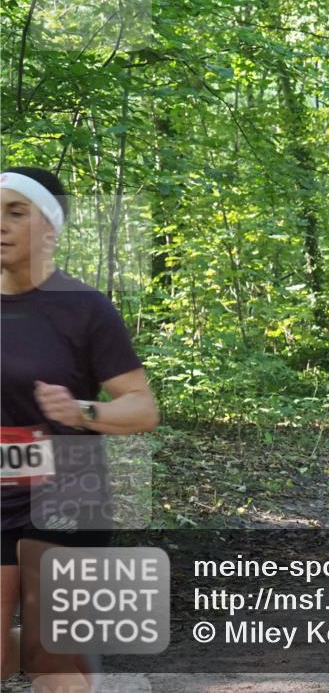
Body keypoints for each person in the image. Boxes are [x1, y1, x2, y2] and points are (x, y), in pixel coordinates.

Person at [1, 167, 159, 692]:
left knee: (50, 655)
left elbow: (141, 407)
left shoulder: (84, 308)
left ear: (50, 229)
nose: (0, 224)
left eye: (15, 212)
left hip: (68, 491)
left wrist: (81, 412)